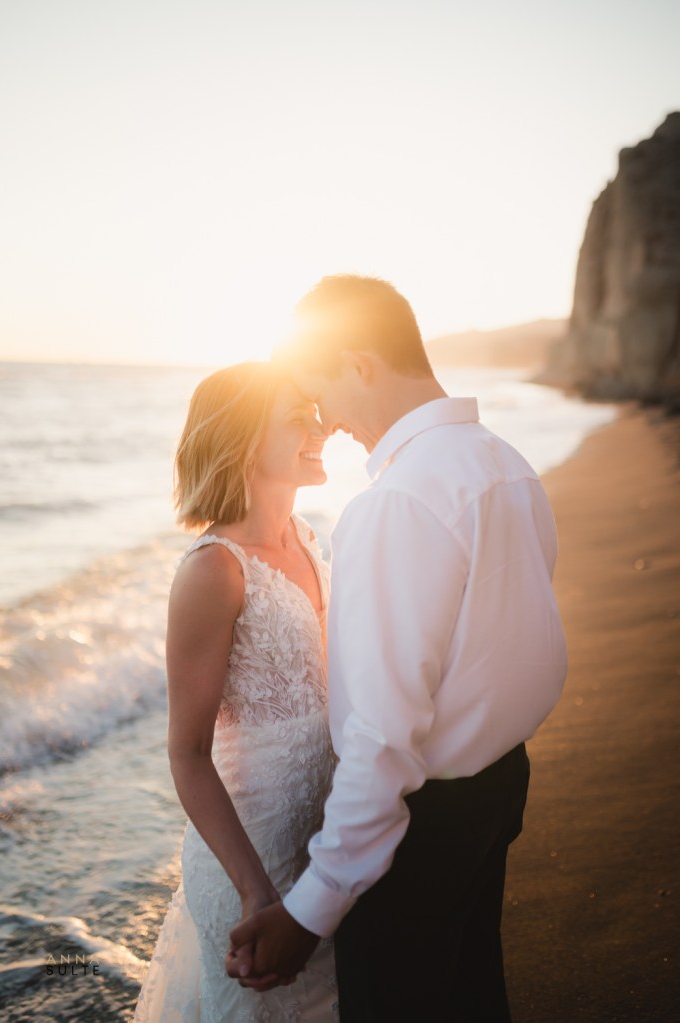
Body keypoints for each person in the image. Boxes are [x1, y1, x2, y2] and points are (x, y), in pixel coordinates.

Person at [228, 276, 568, 1021]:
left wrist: (308, 910)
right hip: (499, 785)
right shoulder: (505, 462)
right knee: (474, 996)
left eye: (321, 392)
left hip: (424, 831)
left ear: (358, 363)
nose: (326, 419)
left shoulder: (394, 503)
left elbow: (380, 739)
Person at [134, 362, 338, 1022]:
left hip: (326, 851)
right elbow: (187, 753)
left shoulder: (308, 539)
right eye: (297, 418)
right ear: (247, 441)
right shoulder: (213, 569)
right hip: (253, 859)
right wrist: (256, 892)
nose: (319, 427)